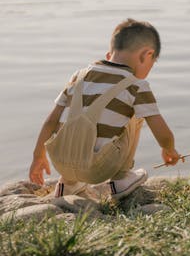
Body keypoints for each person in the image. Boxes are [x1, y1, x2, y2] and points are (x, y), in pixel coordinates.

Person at [29, 19, 182, 199]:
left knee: (75, 115)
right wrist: (169, 149)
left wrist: (38, 156)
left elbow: (50, 121)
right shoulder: (137, 86)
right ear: (146, 55)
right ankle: (120, 179)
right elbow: (161, 131)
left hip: (60, 162)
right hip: (99, 168)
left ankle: (67, 183)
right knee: (137, 115)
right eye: (152, 63)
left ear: (109, 55)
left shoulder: (79, 76)